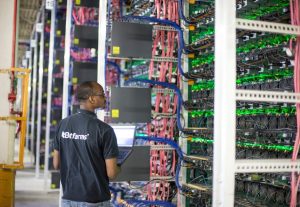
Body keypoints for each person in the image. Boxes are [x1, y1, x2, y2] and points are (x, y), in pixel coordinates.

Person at [53, 81, 120, 207]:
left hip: (68, 198)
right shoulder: (104, 130)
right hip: (95, 200)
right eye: (102, 95)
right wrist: (119, 166)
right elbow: (111, 173)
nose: (105, 98)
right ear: (92, 99)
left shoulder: (62, 124)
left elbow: (56, 164)